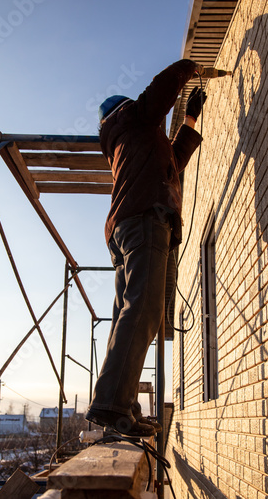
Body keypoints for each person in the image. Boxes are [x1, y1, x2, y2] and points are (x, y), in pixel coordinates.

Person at [86, 59, 206, 437]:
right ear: (124, 110)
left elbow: (174, 161)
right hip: (143, 221)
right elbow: (156, 95)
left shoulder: (135, 141)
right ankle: (112, 405)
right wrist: (188, 67)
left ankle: (123, 407)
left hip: (127, 226)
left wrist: (189, 120)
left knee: (131, 312)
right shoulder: (134, 121)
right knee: (145, 309)